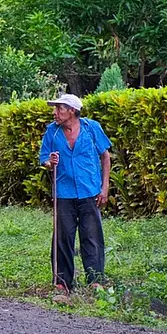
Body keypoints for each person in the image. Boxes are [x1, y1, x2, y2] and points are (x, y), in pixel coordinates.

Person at [39, 93, 111, 292]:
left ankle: (95, 280)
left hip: (89, 191)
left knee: (92, 236)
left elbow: (105, 157)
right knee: (63, 238)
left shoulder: (91, 128)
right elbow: (44, 159)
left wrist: (104, 187)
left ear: (72, 111)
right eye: (55, 108)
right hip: (63, 193)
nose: (55, 112)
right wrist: (49, 163)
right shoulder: (52, 132)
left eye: (59, 108)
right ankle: (62, 283)